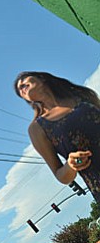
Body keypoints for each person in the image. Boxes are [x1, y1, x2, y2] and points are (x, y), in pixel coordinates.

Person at [14, 71, 100, 203]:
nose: (21, 86)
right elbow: (61, 175)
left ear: (42, 78)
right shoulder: (37, 128)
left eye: (24, 79)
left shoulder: (83, 95)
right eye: (19, 90)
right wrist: (72, 165)